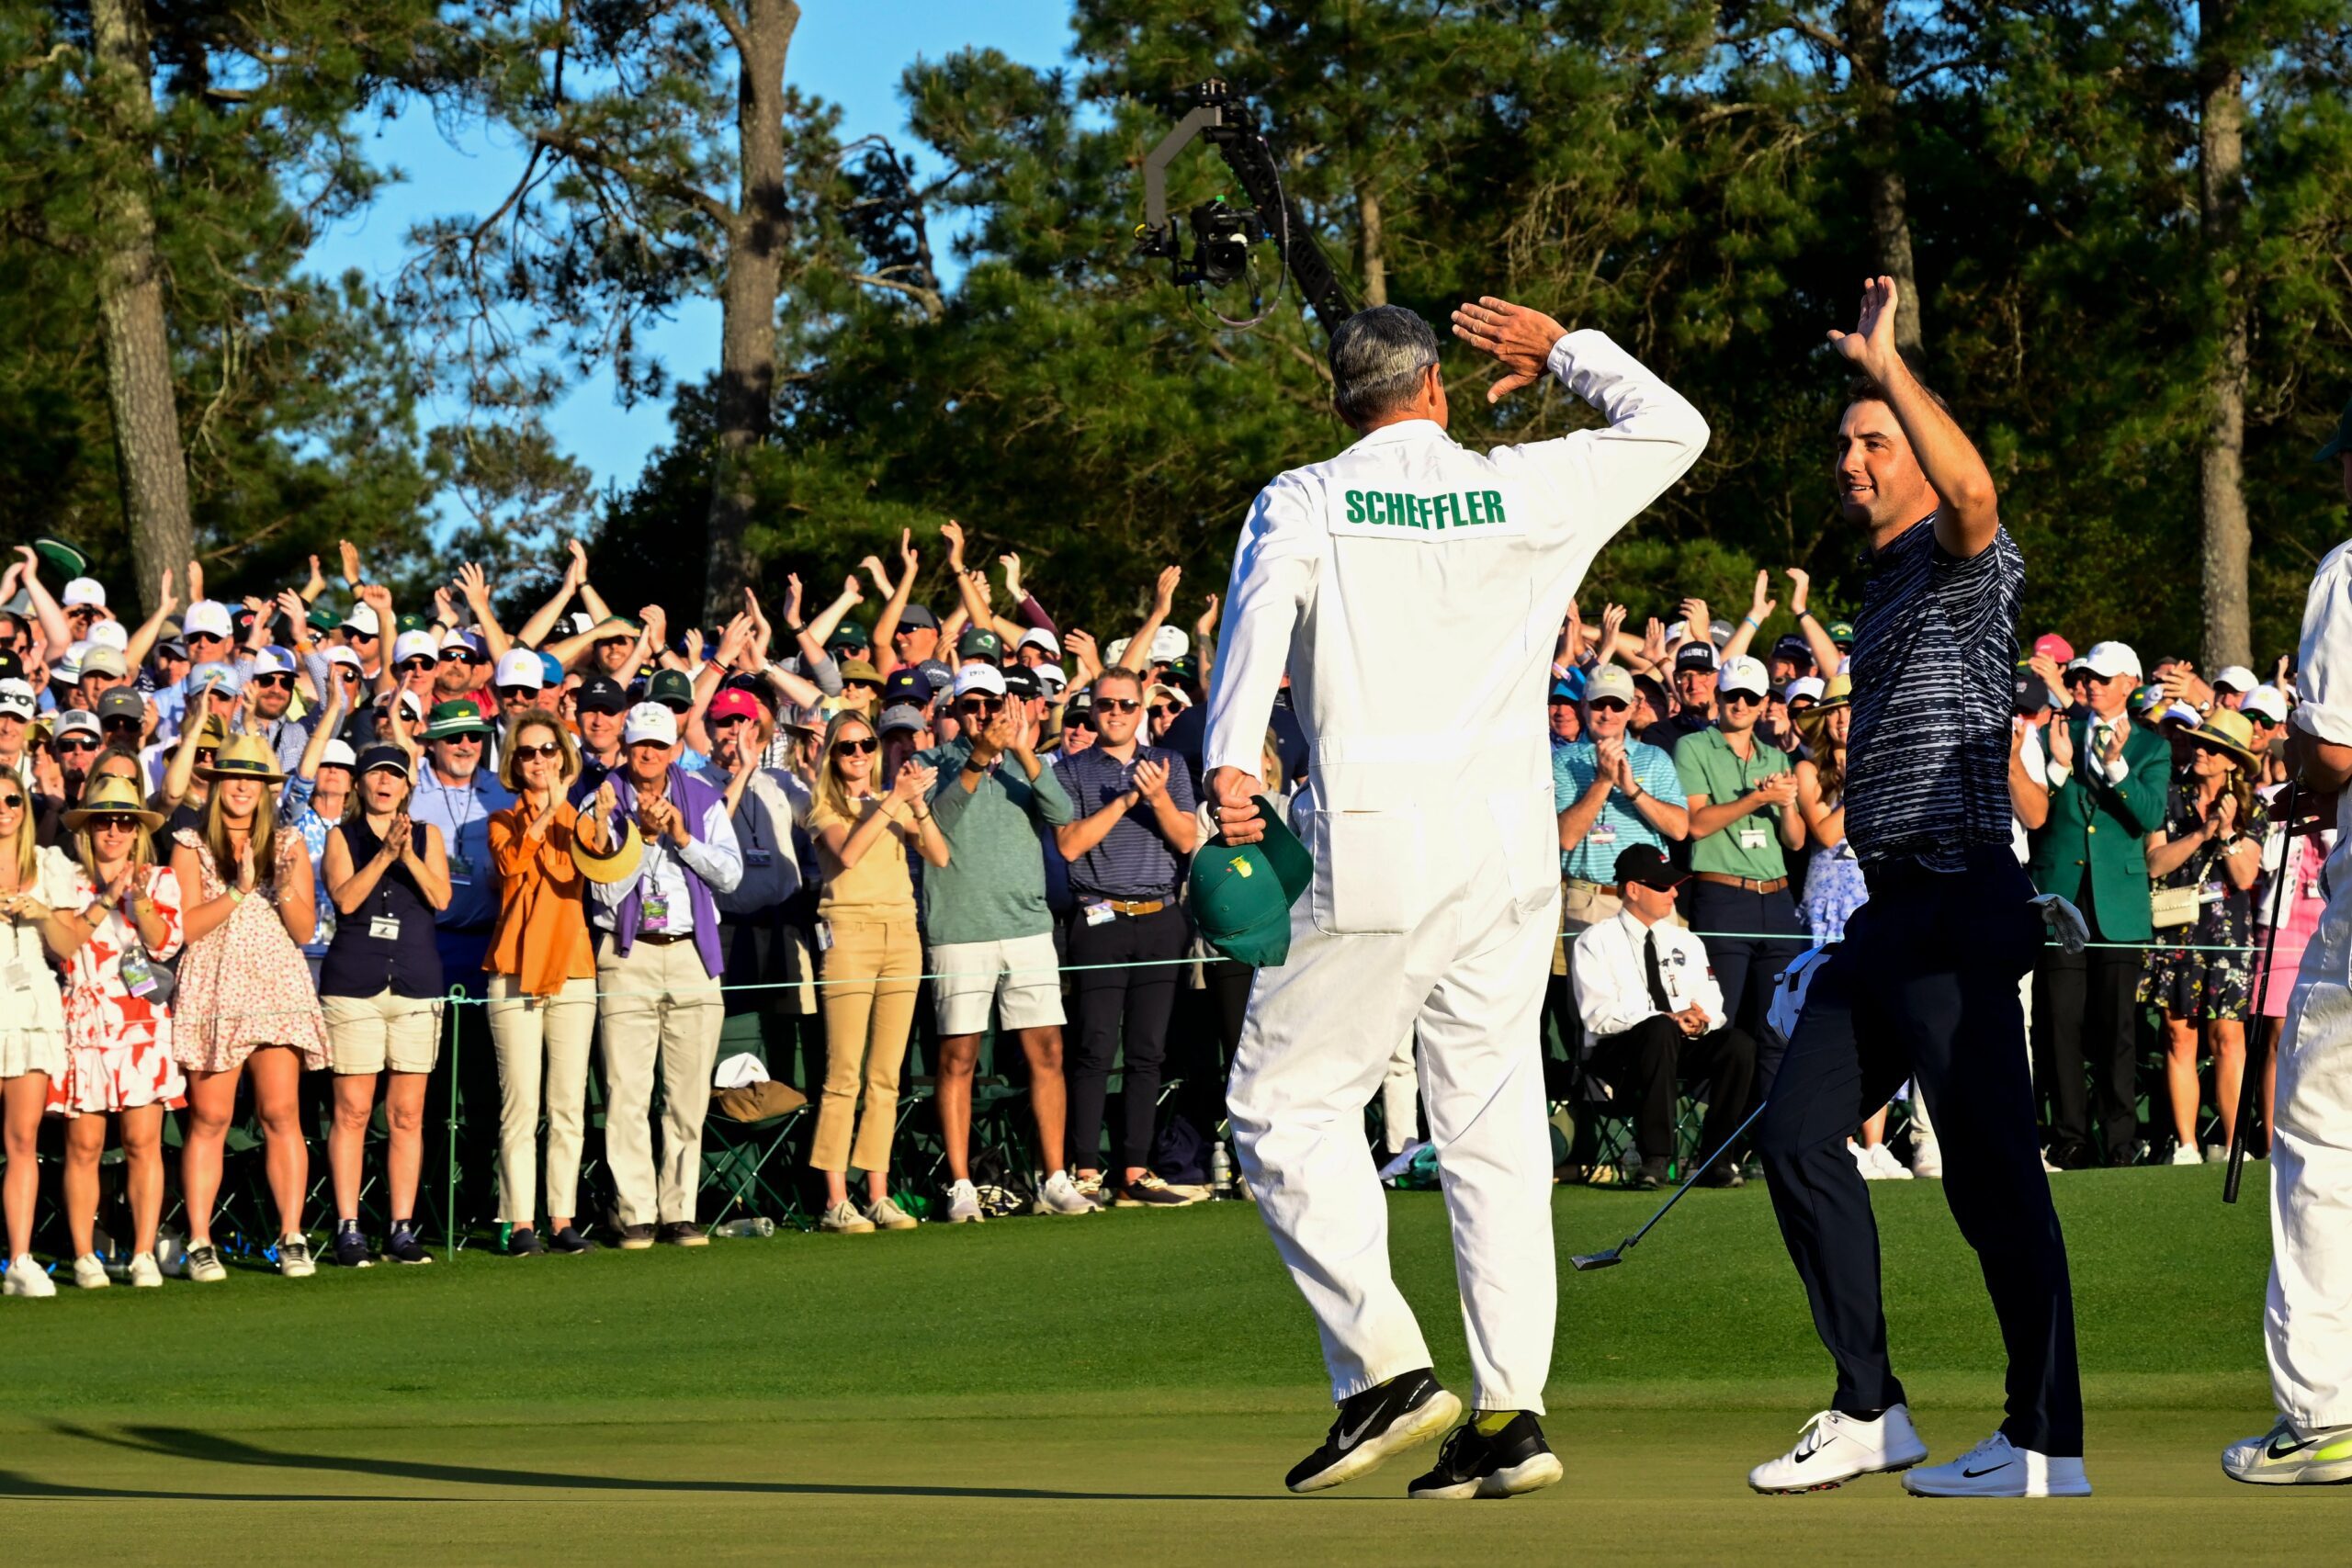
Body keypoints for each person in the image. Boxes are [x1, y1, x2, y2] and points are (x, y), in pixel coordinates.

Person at [1202, 297, 1706, 1498]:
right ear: (1435, 386)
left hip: (1371, 832)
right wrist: (1563, 351)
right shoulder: (1530, 486)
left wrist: (1230, 755)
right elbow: (1675, 427)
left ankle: (1384, 1368)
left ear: (1343, 402)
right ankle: (1513, 1411)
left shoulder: (1307, 495)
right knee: (1493, 1122)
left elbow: (1258, 615)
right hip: (1509, 844)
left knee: (1278, 1105)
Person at [1746, 276, 2085, 1501]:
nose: (1852, 458)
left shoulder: (1961, 558)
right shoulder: (1881, 584)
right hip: (1887, 910)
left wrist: (1892, 366)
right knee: (1794, 1134)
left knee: (1992, 1176)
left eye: (1875, 440)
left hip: (1957, 899)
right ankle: (1867, 1403)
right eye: (1843, 442)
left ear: (1923, 458)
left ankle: (2044, 1435)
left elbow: (1981, 492)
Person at [2222, 401, 2352, 1483]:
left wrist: (2297, 766)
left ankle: (2321, 1419)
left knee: (2318, 1142)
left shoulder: (2348, 571)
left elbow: (2341, 747)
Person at [915, 664, 1093, 1222]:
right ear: (953, 711)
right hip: (960, 931)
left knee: (1048, 1053)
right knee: (959, 1058)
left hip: (1027, 927)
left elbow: (1063, 816)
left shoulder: (1026, 761)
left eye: (991, 704)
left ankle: (1055, 1178)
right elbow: (937, 827)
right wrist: (976, 760)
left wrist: (1023, 751)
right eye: (970, 706)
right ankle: (962, 1183)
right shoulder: (931, 764)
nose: (983, 715)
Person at [169, 734, 328, 1283]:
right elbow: (184, 928)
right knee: (210, 1118)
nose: (242, 786)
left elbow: (305, 930)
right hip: (215, 984)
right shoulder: (189, 844)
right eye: (233, 776)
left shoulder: (288, 843)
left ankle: (291, 1235)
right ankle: (199, 1241)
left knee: (281, 1114)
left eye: (253, 779)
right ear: (216, 786)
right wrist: (238, 890)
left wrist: (281, 887)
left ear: (265, 789)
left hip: (275, 982)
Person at [585, 702, 742, 1247]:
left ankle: (680, 1209)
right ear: (625, 748)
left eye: (659, 744)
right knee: (627, 1091)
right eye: (639, 745)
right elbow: (602, 893)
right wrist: (643, 841)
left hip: (692, 955)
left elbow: (730, 875)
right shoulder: (600, 800)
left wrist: (681, 838)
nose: (649, 754)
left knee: (687, 1094)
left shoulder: (702, 798)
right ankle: (635, 1212)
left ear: (676, 747)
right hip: (627, 955)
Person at [1052, 663, 1202, 1208]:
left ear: (1141, 711)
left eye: (1126, 705)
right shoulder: (1071, 771)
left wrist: (1159, 798)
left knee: (1146, 1051)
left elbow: (1187, 839)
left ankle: (1135, 1171)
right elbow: (1069, 846)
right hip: (1100, 917)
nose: (1115, 713)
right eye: (1106, 704)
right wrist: (1124, 801)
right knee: (1094, 1049)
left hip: (1160, 916)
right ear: (1093, 709)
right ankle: (1087, 1169)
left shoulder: (1169, 763)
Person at [2020, 639, 2167, 1168]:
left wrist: (2115, 768)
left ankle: (2121, 1140)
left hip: (2120, 903)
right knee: (2059, 1023)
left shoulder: (2151, 747)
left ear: (2130, 682)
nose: (2093, 686)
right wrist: (2061, 768)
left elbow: (2149, 818)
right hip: (2061, 896)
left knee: (2117, 1028)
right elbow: (2035, 814)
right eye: (2087, 677)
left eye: (2104, 679)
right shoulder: (2053, 735)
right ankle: (2071, 1138)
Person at [807, 710, 947, 1233]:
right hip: (848, 937)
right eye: (848, 747)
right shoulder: (823, 805)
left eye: (866, 744)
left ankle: (878, 1193)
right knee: (843, 1072)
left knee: (886, 1076)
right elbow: (846, 854)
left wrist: (916, 804)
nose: (859, 754)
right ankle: (835, 1198)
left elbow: (939, 854)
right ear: (832, 755)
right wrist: (893, 799)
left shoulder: (889, 801)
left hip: (900, 935)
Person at [43, 776, 187, 1289]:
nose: (114, 829)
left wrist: (140, 899)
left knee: (143, 1141)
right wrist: (106, 897)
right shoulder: (63, 878)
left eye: (125, 820)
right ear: (87, 827)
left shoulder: (161, 878)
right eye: (103, 819)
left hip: (140, 1021)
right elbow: (62, 947)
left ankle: (144, 1252)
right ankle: (85, 1254)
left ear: (137, 829)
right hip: (83, 1020)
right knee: (82, 1146)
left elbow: (166, 945)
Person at [320, 744, 453, 1266]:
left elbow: (441, 899)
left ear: (406, 787)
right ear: (359, 783)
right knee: (352, 1111)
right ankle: (348, 1226)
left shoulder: (428, 836)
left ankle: (401, 1226)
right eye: (376, 774)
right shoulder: (341, 836)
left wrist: (409, 856)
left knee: (408, 1113)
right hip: (355, 984)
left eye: (394, 776)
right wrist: (382, 856)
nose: (384, 783)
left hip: (416, 984)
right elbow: (347, 899)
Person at [1569, 844, 1755, 1189]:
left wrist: (1701, 1019)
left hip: (1677, 1046)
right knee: (1658, 1029)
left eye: (1673, 884)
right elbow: (1598, 1016)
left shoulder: (1685, 939)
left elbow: (1713, 1002)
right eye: (1661, 885)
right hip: (1619, 1056)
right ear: (1633, 890)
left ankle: (1717, 1160)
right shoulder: (1594, 941)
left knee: (1738, 1044)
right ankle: (1655, 1160)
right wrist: (1669, 1018)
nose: (1673, 892)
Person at [484, 711, 601, 1256]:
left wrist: (565, 809)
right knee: (520, 1105)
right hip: (513, 972)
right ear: (514, 761)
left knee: (568, 1104)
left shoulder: (582, 818)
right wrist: (547, 811)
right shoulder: (501, 818)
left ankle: (562, 1218)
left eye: (548, 750)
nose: (539, 760)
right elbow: (510, 865)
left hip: (573, 969)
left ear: (563, 756)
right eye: (528, 752)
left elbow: (592, 865)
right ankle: (520, 1221)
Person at [1792, 677, 1909, 1181]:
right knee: (1832, 1015)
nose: (1842, 718)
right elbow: (1823, 830)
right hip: (1827, 901)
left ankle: (1875, 1143)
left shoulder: (1883, 762)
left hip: (1871, 893)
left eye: (1850, 709)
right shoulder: (1806, 767)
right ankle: (1835, 1137)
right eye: (1834, 711)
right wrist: (1864, 781)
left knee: (1879, 1019)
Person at [2139, 708, 2266, 1165]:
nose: (2201, 751)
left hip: (2227, 933)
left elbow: (2245, 876)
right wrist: (2204, 832)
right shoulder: (2167, 794)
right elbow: (2155, 863)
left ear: (2232, 760)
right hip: (2176, 928)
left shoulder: (2254, 807)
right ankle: (2187, 1145)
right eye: (2198, 743)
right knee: (2178, 1036)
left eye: (2213, 748)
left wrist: (2228, 831)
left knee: (2228, 1038)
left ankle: (2234, 1145)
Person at [1674, 651, 1807, 1071]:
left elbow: (1797, 840)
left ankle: (1771, 1134)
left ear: (1765, 701)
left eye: (1751, 697)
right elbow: (1696, 824)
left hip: (1778, 899)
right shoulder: (1693, 746)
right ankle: (1715, 1129)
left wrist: (1785, 805)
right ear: (1719, 696)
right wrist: (1758, 798)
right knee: (1720, 1020)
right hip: (1723, 896)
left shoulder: (1777, 758)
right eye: (1734, 695)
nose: (1742, 705)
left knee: (1779, 1025)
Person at [0, 774, 76, 1296]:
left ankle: (20, 1260)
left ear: (25, 807)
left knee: (22, 1139)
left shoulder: (50, 862)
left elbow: (69, 944)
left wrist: (44, 912)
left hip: (31, 1004)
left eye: (12, 799)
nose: (3, 809)